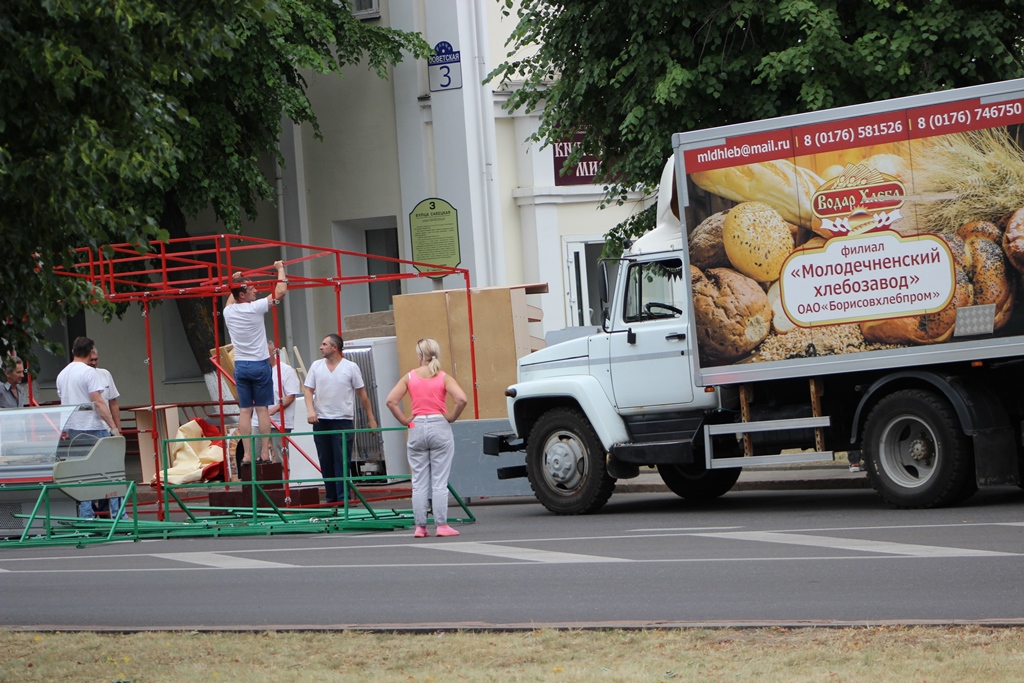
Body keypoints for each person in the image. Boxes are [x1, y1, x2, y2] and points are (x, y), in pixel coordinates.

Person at [385, 338, 467, 538]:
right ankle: (441, 525)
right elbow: (461, 399)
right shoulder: (444, 377)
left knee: (419, 480)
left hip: (417, 425)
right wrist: (451, 417)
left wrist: (405, 420)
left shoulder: (410, 377)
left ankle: (420, 527)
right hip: (439, 425)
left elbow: (391, 400)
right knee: (439, 480)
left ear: (419, 356)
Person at [223, 260, 287, 466]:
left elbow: (229, 300)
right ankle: (266, 452)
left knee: (244, 411)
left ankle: (248, 454)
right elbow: (281, 291)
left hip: (241, 366)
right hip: (259, 365)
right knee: (261, 410)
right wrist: (279, 269)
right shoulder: (255, 308)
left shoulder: (229, 312)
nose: (255, 290)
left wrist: (235, 281)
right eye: (250, 289)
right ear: (242, 295)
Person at [303, 334, 378, 504]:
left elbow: (362, 394)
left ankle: (343, 498)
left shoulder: (350, 367)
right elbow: (308, 390)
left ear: (334, 347)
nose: (321, 347)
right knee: (326, 459)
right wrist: (310, 410)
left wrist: (371, 418)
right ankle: (331, 498)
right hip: (321, 419)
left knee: (341, 459)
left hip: (342, 419)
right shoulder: (316, 366)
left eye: (324, 344)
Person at [55, 337, 120, 519]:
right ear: (91, 351)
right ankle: (116, 515)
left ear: (73, 351)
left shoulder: (62, 374)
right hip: (93, 427)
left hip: (72, 429)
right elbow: (99, 402)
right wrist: (113, 427)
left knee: (82, 474)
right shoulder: (89, 373)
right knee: (110, 472)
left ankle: (86, 515)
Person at [245, 340, 301, 467]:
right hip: (258, 419)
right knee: (253, 452)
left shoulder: (286, 371)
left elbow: (291, 395)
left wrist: (273, 410)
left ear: (273, 352)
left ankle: (284, 481)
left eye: (265, 352)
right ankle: (256, 482)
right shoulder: (256, 370)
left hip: (279, 420)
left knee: (280, 454)